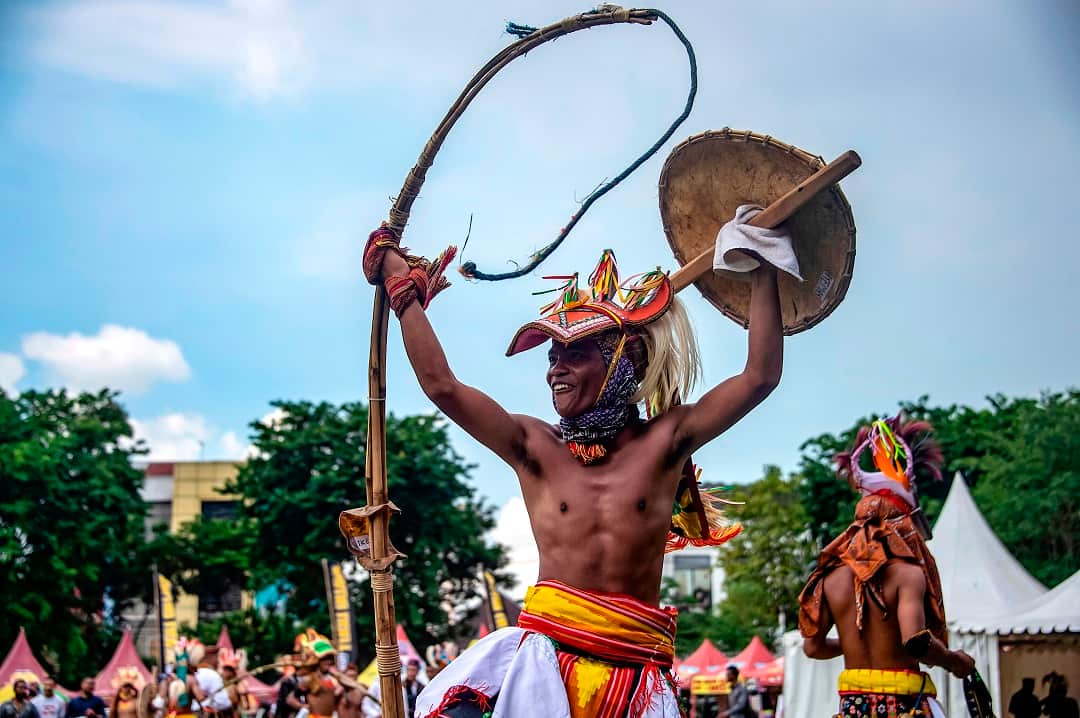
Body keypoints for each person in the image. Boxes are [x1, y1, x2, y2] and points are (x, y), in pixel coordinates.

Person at [362, 205, 788, 717]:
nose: (555, 372)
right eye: (551, 357)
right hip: (541, 675)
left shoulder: (666, 443)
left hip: (635, 680)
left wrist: (761, 264)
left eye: (574, 355)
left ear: (622, 362)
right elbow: (442, 386)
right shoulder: (532, 447)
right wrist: (402, 292)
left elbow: (759, 376)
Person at [799, 416, 975, 718]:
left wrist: (857, 639)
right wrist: (954, 661)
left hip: (852, 708)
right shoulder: (908, 574)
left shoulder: (831, 576)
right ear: (902, 523)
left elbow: (813, 648)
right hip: (905, 706)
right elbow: (916, 644)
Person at [187, 646, 232, 717]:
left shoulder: (189, 674)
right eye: (218, 657)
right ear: (211, 658)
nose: (219, 661)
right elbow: (224, 702)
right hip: (203, 713)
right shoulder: (211, 674)